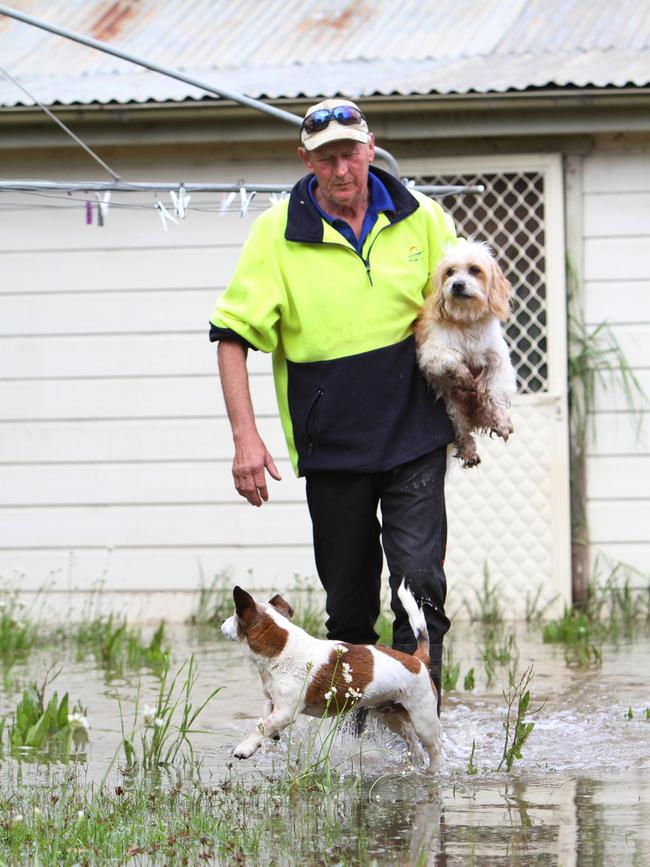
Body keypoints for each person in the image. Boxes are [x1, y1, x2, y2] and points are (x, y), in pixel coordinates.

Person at [209, 98, 457, 714]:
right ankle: (359, 743)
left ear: (370, 149)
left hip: (415, 435)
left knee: (420, 581)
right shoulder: (274, 232)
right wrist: (246, 438)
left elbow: (464, 302)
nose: (341, 168)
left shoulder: (422, 218)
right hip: (333, 449)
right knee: (348, 605)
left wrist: (476, 394)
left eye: (351, 152)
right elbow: (232, 337)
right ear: (306, 160)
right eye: (326, 157)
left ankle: (421, 725)